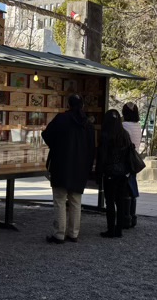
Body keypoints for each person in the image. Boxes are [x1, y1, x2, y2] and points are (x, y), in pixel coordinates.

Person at [41, 94, 95, 244]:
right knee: (76, 201)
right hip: (80, 167)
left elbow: (46, 135)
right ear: (82, 105)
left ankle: (59, 234)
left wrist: (58, 146)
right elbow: (91, 148)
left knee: (59, 199)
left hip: (61, 164)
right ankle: (73, 233)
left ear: (68, 105)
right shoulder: (87, 124)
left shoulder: (61, 119)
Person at [96, 109, 134, 238]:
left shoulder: (106, 136)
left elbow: (102, 157)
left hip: (110, 173)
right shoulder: (125, 134)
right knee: (120, 201)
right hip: (123, 173)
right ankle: (119, 229)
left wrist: (98, 172)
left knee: (110, 202)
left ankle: (110, 229)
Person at [122, 102, 142, 229]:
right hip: (134, 159)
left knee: (124, 190)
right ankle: (132, 215)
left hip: (124, 160)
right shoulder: (137, 126)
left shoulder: (123, 126)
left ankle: (126, 217)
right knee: (132, 187)